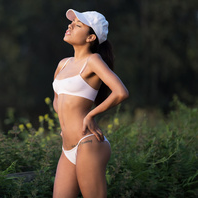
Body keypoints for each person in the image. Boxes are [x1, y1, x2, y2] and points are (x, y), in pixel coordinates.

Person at [52, 9, 129, 198]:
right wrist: (66, 124)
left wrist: (90, 115)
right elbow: (57, 101)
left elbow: (121, 92)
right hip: (67, 146)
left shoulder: (93, 61)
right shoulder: (63, 64)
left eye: (77, 25)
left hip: (87, 143)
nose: (70, 26)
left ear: (90, 37)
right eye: (71, 23)